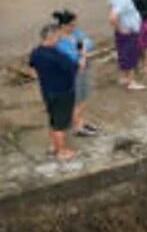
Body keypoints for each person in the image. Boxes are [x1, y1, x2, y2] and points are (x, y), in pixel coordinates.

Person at [30, 23, 78, 160]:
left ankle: (54, 145)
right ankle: (62, 151)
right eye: (58, 36)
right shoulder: (57, 56)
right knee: (60, 124)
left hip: (47, 91)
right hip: (63, 92)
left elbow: (33, 69)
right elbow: (73, 68)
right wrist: (80, 60)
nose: (60, 39)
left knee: (53, 119)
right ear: (51, 37)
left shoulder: (36, 52)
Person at [53, 10, 98, 138]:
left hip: (83, 70)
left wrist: (82, 51)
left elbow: (89, 42)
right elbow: (71, 57)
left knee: (83, 98)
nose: (74, 27)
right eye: (72, 25)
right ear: (63, 26)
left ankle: (81, 122)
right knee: (76, 101)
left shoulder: (76, 33)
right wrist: (82, 53)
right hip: (71, 74)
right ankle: (77, 127)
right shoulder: (59, 40)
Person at [110, 0, 145, 91]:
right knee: (131, 56)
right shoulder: (122, 0)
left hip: (125, 33)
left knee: (124, 55)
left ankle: (125, 78)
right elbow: (112, 17)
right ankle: (131, 82)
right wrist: (121, 29)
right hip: (127, 33)